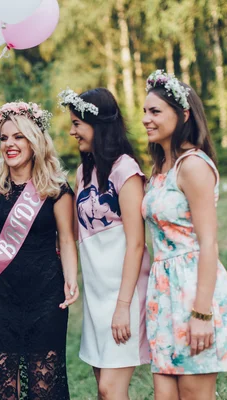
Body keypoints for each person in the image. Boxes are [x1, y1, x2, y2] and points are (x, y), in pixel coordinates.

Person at [141, 70, 227, 399]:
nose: (146, 120)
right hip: (163, 295)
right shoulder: (159, 170)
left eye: (155, 112)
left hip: (194, 292)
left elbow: (208, 243)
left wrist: (201, 313)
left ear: (182, 115)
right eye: (144, 112)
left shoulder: (194, 166)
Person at [0, 101, 79, 399]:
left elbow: (67, 239)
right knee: (3, 384)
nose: (9, 144)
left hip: (46, 295)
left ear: (35, 141)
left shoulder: (56, 188)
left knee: (43, 384)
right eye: (5, 138)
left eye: (18, 137)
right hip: (1, 296)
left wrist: (71, 280)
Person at [59, 87, 150, 400]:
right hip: (96, 297)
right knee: (103, 390)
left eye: (76, 124)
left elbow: (136, 243)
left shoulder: (126, 169)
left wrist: (123, 306)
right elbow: (71, 233)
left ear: (97, 124)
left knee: (111, 390)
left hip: (123, 294)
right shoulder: (83, 172)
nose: (72, 131)